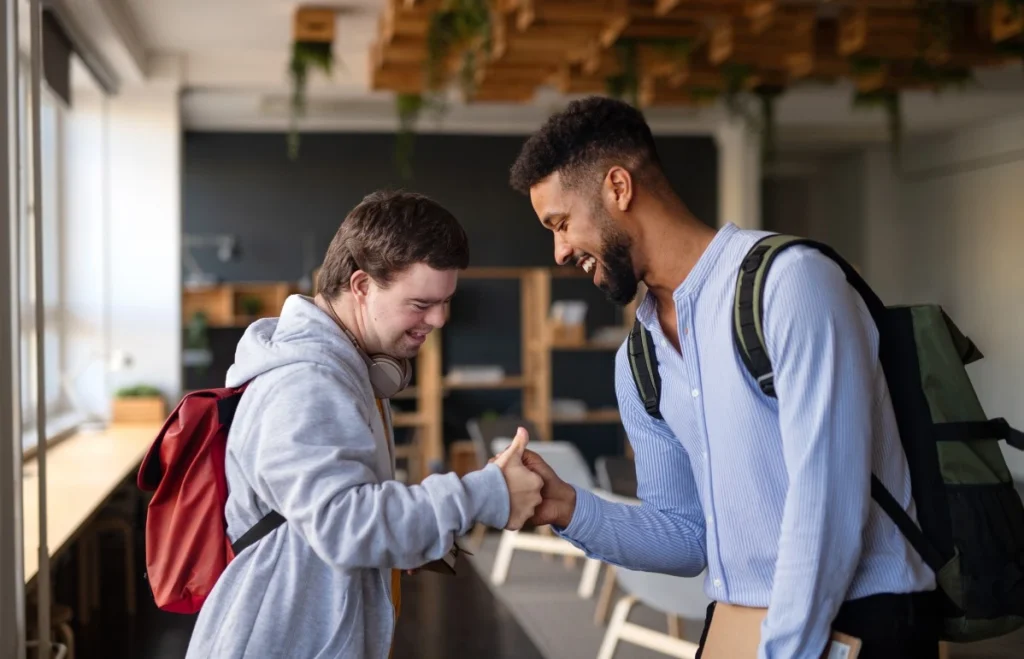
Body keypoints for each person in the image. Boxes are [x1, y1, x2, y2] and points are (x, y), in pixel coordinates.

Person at [506, 96, 939, 659]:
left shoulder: (791, 284)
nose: (560, 251)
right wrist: (566, 507)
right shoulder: (638, 359)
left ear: (618, 187)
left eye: (561, 223)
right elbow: (687, 537)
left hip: (860, 619)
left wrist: (781, 650)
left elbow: (828, 506)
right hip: (739, 624)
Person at [185, 190, 543, 659]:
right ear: (361, 286)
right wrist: (486, 493)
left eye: (444, 301)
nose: (437, 319)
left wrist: (409, 533)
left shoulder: (347, 369)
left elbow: (338, 516)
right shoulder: (308, 382)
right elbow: (343, 524)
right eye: (420, 304)